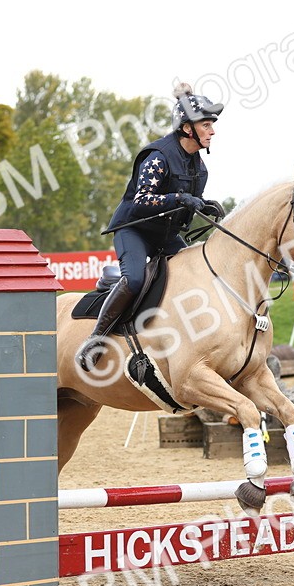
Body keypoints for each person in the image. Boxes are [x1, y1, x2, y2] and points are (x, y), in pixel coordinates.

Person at [76, 82, 226, 370]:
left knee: (196, 275)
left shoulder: (200, 167)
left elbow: (189, 200)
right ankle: (94, 339)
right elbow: (142, 201)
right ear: (187, 128)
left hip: (165, 236)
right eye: (206, 124)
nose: (213, 131)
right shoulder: (158, 157)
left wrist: (203, 204)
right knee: (134, 280)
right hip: (134, 230)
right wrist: (180, 197)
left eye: (212, 125)